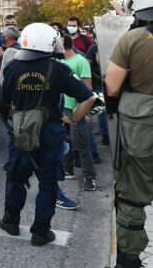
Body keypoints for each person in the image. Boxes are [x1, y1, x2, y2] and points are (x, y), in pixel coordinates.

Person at [0, 23, 95, 247]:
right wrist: (72, 119)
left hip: (22, 129)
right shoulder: (59, 69)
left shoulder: (12, 67)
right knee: (48, 181)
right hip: (50, 131)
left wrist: (16, 118)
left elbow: (2, 104)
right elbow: (89, 98)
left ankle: (11, 221)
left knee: (16, 176)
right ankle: (41, 231)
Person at [104, 0, 153, 268]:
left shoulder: (133, 39)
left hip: (142, 125)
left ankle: (129, 260)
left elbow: (112, 88)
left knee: (132, 193)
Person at [59, 34, 96, 191]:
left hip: (76, 108)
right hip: (64, 108)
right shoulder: (60, 62)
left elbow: (87, 89)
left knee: (81, 144)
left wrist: (78, 110)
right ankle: (68, 170)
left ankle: (89, 178)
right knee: (66, 141)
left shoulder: (80, 61)